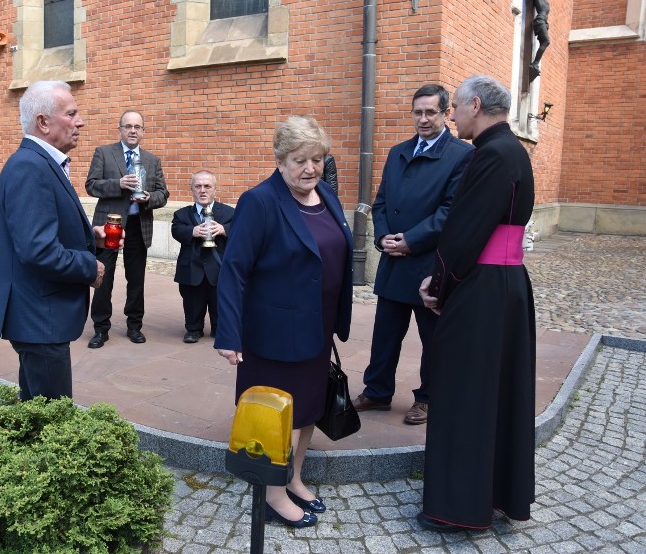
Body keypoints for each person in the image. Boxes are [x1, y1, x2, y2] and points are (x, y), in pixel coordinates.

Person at [215, 116, 353, 529]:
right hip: (273, 333)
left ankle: (293, 477)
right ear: (279, 160)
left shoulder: (325, 194)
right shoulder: (259, 201)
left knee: (309, 408)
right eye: (299, 160)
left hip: (317, 326)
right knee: (278, 416)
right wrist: (228, 332)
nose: (309, 168)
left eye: (316, 159)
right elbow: (234, 270)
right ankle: (273, 495)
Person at [417, 75, 535, 531]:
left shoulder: (490, 154)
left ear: (476, 105)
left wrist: (439, 285)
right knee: (495, 393)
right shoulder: (510, 151)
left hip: (482, 289)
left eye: (456, 109)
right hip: (503, 284)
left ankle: (457, 509)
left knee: (465, 393)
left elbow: (464, 233)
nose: (452, 116)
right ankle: (495, 492)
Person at [353, 85, 473, 425]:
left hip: (429, 262)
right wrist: (385, 238)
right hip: (395, 260)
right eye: (417, 112)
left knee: (433, 338)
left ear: (446, 113)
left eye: (430, 112)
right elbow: (380, 202)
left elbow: (451, 210)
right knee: (385, 333)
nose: (423, 119)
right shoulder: (398, 151)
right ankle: (376, 392)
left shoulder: (461, 155)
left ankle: (429, 398)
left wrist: (411, 240)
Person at [0, 80, 109, 401]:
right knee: (52, 423)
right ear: (43, 122)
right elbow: (38, 250)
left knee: (37, 411)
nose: (80, 121)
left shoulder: (38, 162)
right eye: (71, 113)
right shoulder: (30, 167)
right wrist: (89, 267)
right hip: (39, 316)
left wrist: (88, 236)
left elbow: (40, 230)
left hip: (39, 314)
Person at [85, 110, 169, 348]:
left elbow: (163, 195)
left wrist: (149, 198)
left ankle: (134, 326)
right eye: (128, 126)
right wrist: (118, 184)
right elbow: (91, 185)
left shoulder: (152, 161)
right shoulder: (104, 153)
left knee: (136, 280)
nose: (133, 131)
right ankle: (101, 329)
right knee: (104, 277)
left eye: (137, 127)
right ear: (120, 129)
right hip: (110, 226)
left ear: (143, 131)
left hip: (138, 227)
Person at [171, 171, 234, 343]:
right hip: (192, 267)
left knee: (219, 301)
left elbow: (241, 230)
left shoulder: (229, 212)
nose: (203, 190)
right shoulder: (182, 214)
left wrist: (223, 230)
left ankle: (219, 328)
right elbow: (176, 230)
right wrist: (192, 231)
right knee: (192, 301)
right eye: (198, 186)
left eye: (207, 186)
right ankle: (193, 328)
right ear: (192, 189)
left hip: (218, 267)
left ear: (215, 189)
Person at [529, 0, 550, 81]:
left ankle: (536, 63)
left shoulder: (545, 1)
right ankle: (535, 63)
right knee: (546, 42)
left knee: (546, 42)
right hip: (540, 20)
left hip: (544, 22)